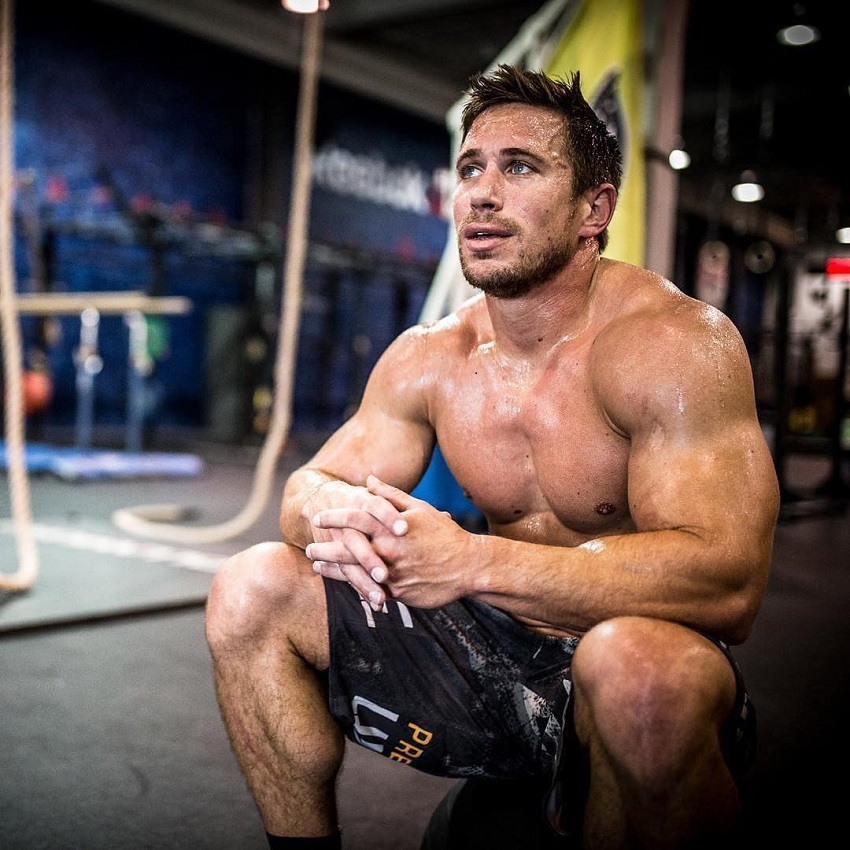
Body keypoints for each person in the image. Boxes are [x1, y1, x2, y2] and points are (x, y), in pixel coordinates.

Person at [205, 64, 780, 849]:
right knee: (252, 586)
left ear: (594, 209)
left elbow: (729, 582)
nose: (480, 192)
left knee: (637, 667)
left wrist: (472, 563)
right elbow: (310, 485)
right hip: (491, 649)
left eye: (519, 167)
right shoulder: (431, 355)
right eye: (470, 168)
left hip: (627, 662)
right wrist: (343, 513)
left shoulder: (673, 346)